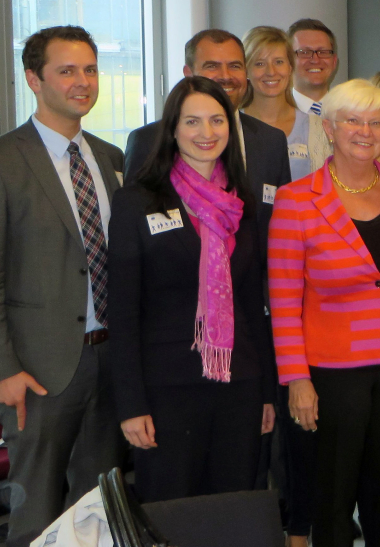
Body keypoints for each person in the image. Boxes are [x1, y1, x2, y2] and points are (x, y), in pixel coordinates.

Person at [268, 78, 380, 547]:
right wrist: (297, 379)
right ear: (329, 127)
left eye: (375, 121)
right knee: (331, 505)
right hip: (331, 376)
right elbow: (284, 300)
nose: (365, 131)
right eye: (353, 120)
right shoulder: (297, 201)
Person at [0, 26, 123, 544]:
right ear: (33, 79)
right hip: (37, 374)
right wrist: (2, 371)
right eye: (67, 70)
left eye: (90, 69)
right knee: (36, 515)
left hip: (109, 362)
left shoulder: (110, 158)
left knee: (98, 510)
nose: (82, 81)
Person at [108, 76, 276, 502]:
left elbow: (254, 304)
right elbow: (124, 313)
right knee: (173, 512)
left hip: (240, 384)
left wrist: (267, 393)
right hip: (166, 390)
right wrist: (131, 405)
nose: (207, 133)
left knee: (232, 508)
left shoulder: (242, 202)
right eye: (193, 122)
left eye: (217, 120)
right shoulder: (137, 202)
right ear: (173, 129)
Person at [124, 29, 291, 250]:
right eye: (212, 66)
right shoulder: (147, 141)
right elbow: (133, 229)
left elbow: (282, 229)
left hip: (253, 282)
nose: (225, 75)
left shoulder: (272, 142)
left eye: (235, 66)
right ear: (188, 73)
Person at [241, 26, 315, 181]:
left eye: (279, 62)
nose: (271, 72)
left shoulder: (316, 128)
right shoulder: (231, 127)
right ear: (246, 70)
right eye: (260, 64)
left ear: (290, 67)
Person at [289, 19, 339, 173]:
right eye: (304, 52)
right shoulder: (275, 115)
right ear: (288, 61)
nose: (315, 59)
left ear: (334, 61)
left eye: (323, 52)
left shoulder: (351, 113)